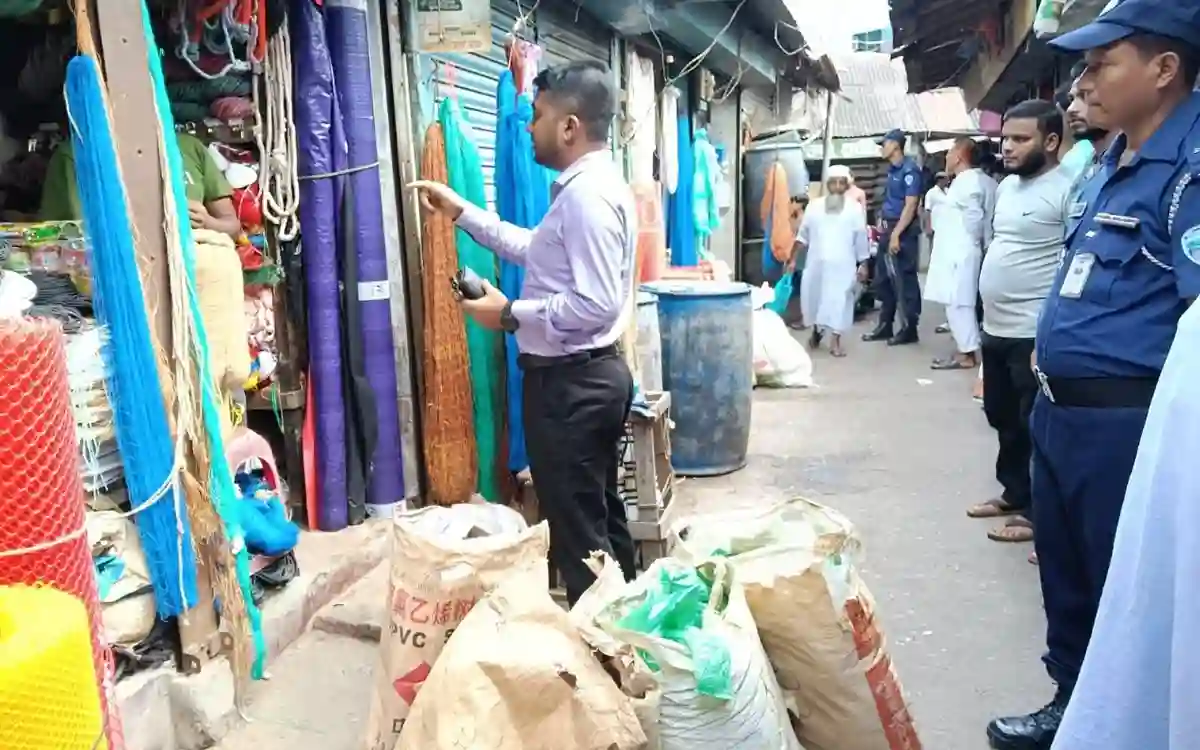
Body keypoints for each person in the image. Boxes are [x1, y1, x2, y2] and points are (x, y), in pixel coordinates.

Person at [985, 4, 1200, 749]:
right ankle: (1074, 707)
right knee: (1070, 578)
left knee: (1128, 589)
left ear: (1164, 70)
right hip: (1061, 414)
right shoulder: (1111, 160)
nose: (1082, 82)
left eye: (1102, 62)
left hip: (1129, 427)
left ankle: (1133, 726)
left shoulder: (1190, 172)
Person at [409, 60, 637, 606]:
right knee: (599, 516)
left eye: (536, 116)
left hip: (571, 387)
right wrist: (462, 212)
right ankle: (634, 625)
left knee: (580, 533)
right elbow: (535, 247)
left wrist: (511, 314)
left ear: (569, 127)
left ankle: (608, 657)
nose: (528, 127)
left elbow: (595, 302)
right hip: (582, 378)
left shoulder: (587, 199)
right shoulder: (589, 189)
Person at [968, 100, 1072, 552]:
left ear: (1050, 141)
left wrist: (1051, 332)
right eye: (1005, 138)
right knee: (1002, 416)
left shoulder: (1068, 189)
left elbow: (1069, 263)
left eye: (1020, 139)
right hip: (996, 326)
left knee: (1035, 425)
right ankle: (1014, 493)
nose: (1007, 147)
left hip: (1032, 330)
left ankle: (1038, 514)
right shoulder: (1007, 187)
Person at [40, 131, 242, 239]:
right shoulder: (77, 156)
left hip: (195, 281)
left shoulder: (188, 147)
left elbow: (233, 227)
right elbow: (58, 236)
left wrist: (207, 223)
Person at [925, 139, 997, 371]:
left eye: (949, 153)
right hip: (963, 250)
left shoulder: (968, 183)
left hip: (961, 252)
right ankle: (965, 349)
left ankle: (967, 354)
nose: (946, 158)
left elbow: (975, 219)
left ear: (959, 156)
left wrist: (972, 244)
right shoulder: (978, 181)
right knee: (958, 302)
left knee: (958, 303)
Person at [795, 165, 870, 357]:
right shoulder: (814, 206)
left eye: (841, 183)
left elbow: (861, 237)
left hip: (843, 266)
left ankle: (835, 340)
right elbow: (802, 236)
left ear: (847, 186)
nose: (837, 186)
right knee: (815, 299)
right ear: (827, 185)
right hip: (816, 264)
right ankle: (816, 332)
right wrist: (791, 259)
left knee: (841, 301)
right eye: (833, 182)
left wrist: (864, 263)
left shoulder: (854, 208)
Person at [863, 128, 923, 345]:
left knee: (903, 279)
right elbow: (890, 201)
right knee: (883, 279)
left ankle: (909, 328)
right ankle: (885, 325)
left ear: (896, 145)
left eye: (884, 143)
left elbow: (910, 205)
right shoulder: (892, 170)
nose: (882, 148)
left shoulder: (910, 170)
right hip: (888, 229)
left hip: (902, 232)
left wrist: (896, 234)